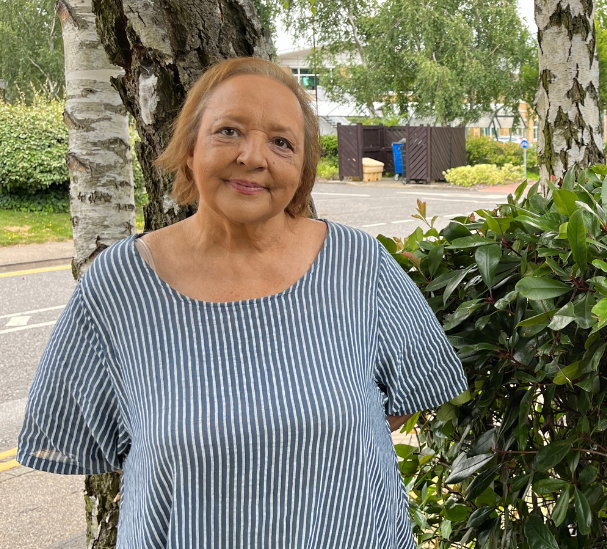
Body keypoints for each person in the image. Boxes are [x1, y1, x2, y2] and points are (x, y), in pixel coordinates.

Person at [17, 57, 467, 548]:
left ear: (302, 169)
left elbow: (407, 396)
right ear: (190, 149)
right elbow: (84, 435)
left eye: (281, 142)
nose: (254, 157)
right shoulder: (119, 287)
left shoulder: (358, 266)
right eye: (229, 131)